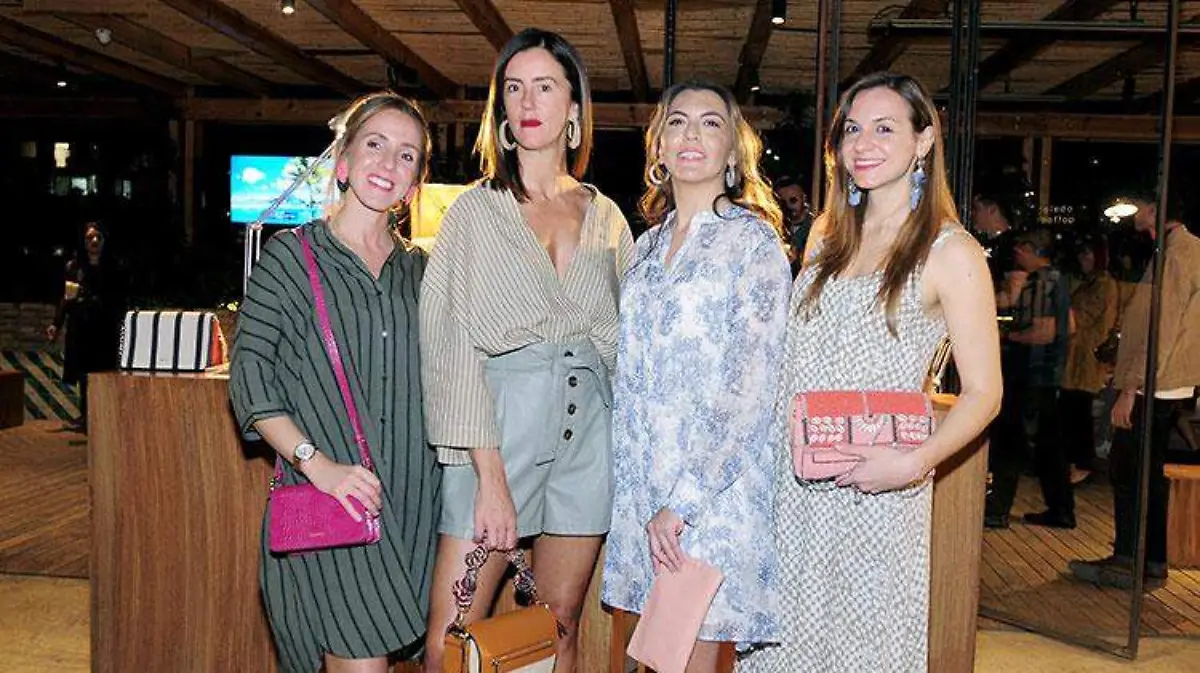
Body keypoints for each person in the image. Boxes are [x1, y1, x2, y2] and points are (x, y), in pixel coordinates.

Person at [738, 72, 1001, 673]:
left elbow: (985, 393)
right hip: (793, 487)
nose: (863, 144)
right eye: (852, 129)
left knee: (859, 648)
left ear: (924, 140)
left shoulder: (950, 251)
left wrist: (913, 464)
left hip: (877, 488)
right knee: (782, 650)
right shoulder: (825, 236)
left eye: (885, 128)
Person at [419, 29, 634, 673]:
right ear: (502, 111)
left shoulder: (608, 217)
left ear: (574, 107)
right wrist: (490, 478)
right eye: (514, 88)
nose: (528, 101)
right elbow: (450, 346)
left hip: (587, 438)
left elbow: (633, 346)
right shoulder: (472, 214)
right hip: (497, 433)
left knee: (556, 623)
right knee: (453, 637)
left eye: (545, 86)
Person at [229, 91, 442, 673]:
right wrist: (316, 464)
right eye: (375, 144)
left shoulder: (422, 271)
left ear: (414, 183)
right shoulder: (291, 258)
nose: (388, 163)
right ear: (343, 162)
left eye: (407, 155)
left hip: (416, 503)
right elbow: (250, 375)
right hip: (336, 497)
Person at [602, 82, 791, 670]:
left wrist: (684, 502)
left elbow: (750, 388)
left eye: (711, 123)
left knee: (687, 661)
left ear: (733, 152)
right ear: (658, 146)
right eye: (677, 121)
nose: (691, 134)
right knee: (655, 660)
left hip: (712, 499)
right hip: (646, 494)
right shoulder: (644, 247)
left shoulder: (752, 244)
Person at [1069, 189, 1200, 589]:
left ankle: (1131, 559)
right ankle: (1147, 559)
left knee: (1130, 469)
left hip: (1154, 384)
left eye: (1138, 207)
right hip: (1163, 381)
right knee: (1145, 471)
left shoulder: (1176, 254)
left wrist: (1131, 387)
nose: (1132, 214)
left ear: (1154, 209)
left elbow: (1162, 326)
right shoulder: (1178, 249)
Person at [985, 228, 1075, 529]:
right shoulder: (1058, 280)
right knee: (1049, 445)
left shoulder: (1040, 282)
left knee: (1010, 439)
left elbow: (1043, 332)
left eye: (1022, 249)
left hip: (1030, 374)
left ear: (1034, 251)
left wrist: (1007, 336)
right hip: (1048, 375)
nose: (1018, 254)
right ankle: (1061, 509)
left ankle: (998, 509)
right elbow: (1070, 326)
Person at [47, 222, 127, 432]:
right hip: (81, 327)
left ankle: (103, 416)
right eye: (90, 237)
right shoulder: (75, 267)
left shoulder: (114, 267)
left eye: (98, 237)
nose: (94, 241)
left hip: (104, 328)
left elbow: (120, 299)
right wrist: (56, 323)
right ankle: (86, 416)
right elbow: (67, 297)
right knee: (83, 374)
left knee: (104, 371)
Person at [1059, 235, 1118, 485]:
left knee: (1079, 411)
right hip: (1078, 356)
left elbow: (1083, 317)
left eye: (1087, 253)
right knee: (1073, 410)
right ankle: (1076, 463)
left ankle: (1083, 464)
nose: (1083, 258)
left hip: (1086, 356)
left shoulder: (1102, 285)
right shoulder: (1091, 283)